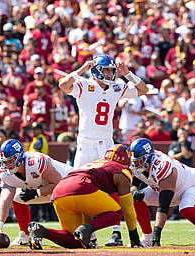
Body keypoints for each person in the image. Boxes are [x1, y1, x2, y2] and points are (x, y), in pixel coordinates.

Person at [59, 54, 148, 245]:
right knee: (80, 188)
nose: (109, 73)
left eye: (111, 70)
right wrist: (82, 69)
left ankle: (116, 232)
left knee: (115, 185)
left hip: (106, 143)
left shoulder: (116, 86)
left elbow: (143, 89)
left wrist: (128, 74)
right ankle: (90, 236)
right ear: (95, 70)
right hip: (84, 143)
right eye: (106, 70)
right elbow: (63, 86)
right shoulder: (83, 83)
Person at [28, 144, 144, 249]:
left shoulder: (96, 164)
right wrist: (134, 239)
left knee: (75, 241)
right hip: (81, 187)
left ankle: (41, 231)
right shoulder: (121, 170)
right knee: (117, 212)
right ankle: (85, 230)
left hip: (59, 190)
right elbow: (128, 208)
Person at [129, 138, 195, 246]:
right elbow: (134, 184)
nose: (136, 164)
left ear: (149, 158)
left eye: (139, 161)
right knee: (134, 199)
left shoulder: (162, 166)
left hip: (192, 185)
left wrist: (157, 233)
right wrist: (134, 192)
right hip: (162, 189)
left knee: (186, 209)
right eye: (134, 161)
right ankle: (146, 237)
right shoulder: (137, 165)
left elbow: (163, 205)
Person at [0, 139, 73, 246]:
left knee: (61, 202)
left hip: (68, 184)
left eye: (11, 160)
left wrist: (36, 192)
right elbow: (4, 200)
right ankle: (25, 235)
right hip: (46, 189)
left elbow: (59, 184)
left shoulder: (36, 162)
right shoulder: (5, 174)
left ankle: (79, 235)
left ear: (19, 157)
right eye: (5, 161)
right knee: (17, 197)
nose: (8, 164)